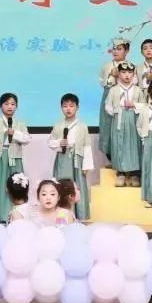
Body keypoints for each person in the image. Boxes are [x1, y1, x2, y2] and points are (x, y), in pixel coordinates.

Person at [0, 92, 31, 223]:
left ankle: (17, 215)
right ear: (0, 106)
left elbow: (27, 139)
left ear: (16, 106)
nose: (10, 106)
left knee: (17, 185)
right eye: (6, 104)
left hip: (15, 157)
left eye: (13, 104)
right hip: (1, 157)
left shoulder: (20, 123)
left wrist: (15, 133)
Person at [47, 93, 93, 221]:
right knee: (62, 185)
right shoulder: (58, 125)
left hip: (77, 160)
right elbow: (50, 142)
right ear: (61, 108)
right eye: (65, 106)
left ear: (77, 108)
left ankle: (79, 216)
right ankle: (62, 216)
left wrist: (87, 165)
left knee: (77, 186)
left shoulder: (82, 126)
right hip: (63, 159)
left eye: (71, 106)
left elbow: (87, 146)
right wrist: (59, 143)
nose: (68, 109)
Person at [104, 61, 144, 187]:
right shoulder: (114, 90)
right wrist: (115, 110)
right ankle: (120, 173)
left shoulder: (137, 90)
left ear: (133, 74)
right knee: (119, 144)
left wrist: (134, 105)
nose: (127, 75)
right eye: (123, 72)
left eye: (129, 72)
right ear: (119, 74)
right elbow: (108, 105)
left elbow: (144, 106)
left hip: (133, 119)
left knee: (134, 144)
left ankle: (134, 174)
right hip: (119, 120)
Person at [98, 38, 130, 160]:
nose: (115, 51)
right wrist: (111, 75)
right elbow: (103, 82)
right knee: (107, 125)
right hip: (108, 97)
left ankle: (124, 161)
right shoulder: (106, 66)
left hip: (124, 98)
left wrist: (120, 76)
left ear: (126, 51)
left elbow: (133, 84)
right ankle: (111, 157)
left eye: (119, 49)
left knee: (124, 126)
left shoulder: (130, 66)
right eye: (114, 49)